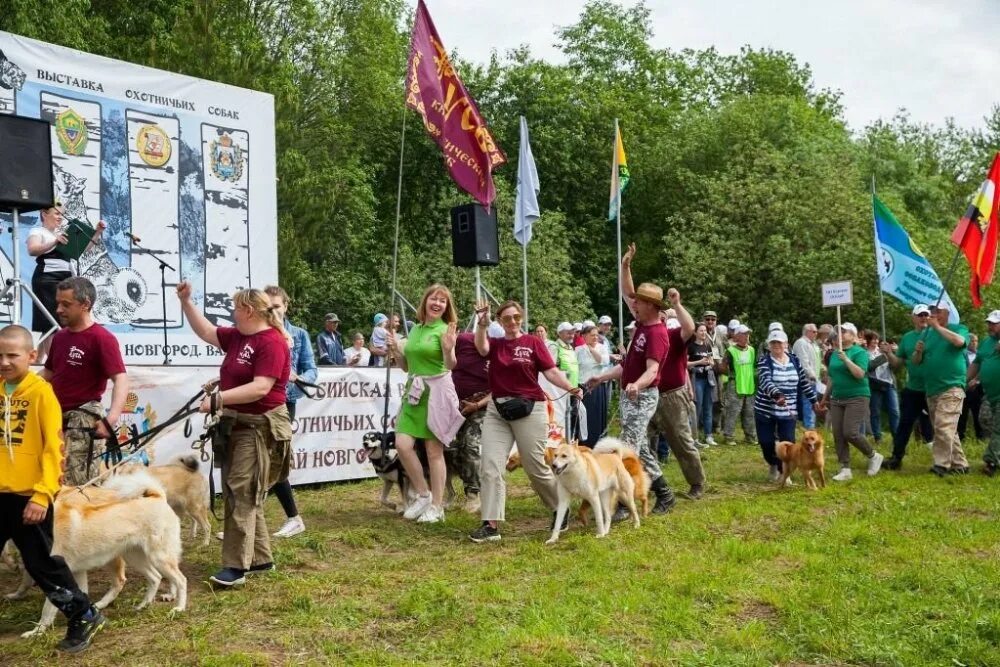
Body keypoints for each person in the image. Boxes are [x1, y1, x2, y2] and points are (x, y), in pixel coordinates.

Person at [177, 282, 291, 588]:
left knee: (242, 490)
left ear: (248, 310)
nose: (231, 312)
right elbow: (207, 332)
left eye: (235, 308)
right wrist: (187, 303)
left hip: (260, 425)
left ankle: (235, 566)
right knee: (242, 488)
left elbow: (261, 387)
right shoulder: (240, 336)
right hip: (237, 424)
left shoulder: (272, 342)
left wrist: (218, 400)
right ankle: (261, 558)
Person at [0, 325, 106, 652]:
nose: (4, 361)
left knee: (42, 565)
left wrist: (43, 494)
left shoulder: (41, 392)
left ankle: (83, 613)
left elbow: (54, 450)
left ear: (32, 356)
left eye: (12, 355)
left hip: (28, 499)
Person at [469, 300, 582, 543]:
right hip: (497, 410)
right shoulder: (496, 344)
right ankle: (490, 524)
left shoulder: (533, 342)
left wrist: (571, 387)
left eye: (517, 317)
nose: (512, 322)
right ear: (500, 321)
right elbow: (481, 346)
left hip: (530, 408)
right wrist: (481, 323)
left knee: (534, 467)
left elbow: (551, 371)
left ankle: (559, 508)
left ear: (522, 318)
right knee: (489, 466)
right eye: (507, 318)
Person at [587, 242, 676, 515]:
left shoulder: (657, 334)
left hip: (644, 396)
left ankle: (623, 505)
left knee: (626, 449)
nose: (633, 303)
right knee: (639, 448)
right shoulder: (641, 323)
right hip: (631, 394)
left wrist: (637, 385)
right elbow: (628, 366)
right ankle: (665, 494)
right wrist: (626, 266)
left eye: (638, 301)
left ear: (650, 306)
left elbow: (651, 371)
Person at [386, 285, 464, 524]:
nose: (437, 303)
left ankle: (437, 507)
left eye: (442, 300)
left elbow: (451, 365)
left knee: (433, 451)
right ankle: (423, 494)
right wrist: (396, 351)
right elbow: (407, 367)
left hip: (436, 394)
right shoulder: (416, 329)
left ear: (446, 307)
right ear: (425, 301)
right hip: (414, 393)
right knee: (402, 444)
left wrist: (449, 349)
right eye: (434, 298)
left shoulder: (445, 330)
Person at [40, 277, 128, 486]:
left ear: (85, 304)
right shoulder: (60, 337)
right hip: (54, 416)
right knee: (51, 478)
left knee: (77, 485)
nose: (59, 309)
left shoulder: (101, 338)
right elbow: (48, 373)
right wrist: (18, 386)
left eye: (66, 304)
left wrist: (111, 419)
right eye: (58, 303)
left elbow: (121, 379)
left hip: (82, 419)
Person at [264, 285, 316, 539]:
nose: (272, 311)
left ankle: (293, 518)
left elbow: (312, 371)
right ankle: (250, 521)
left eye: (276, 306)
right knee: (258, 462)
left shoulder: (299, 335)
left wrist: (298, 377)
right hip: (257, 401)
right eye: (268, 307)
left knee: (273, 460)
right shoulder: (258, 333)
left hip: (284, 403)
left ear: (286, 306)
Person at [27, 204, 106, 361]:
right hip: (47, 279)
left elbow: (81, 249)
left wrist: (97, 233)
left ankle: (38, 361)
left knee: (56, 321)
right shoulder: (37, 231)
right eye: (56, 213)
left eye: (61, 214)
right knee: (49, 321)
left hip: (66, 280)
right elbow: (33, 249)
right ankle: (54, 364)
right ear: (44, 214)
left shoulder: (62, 233)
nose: (60, 217)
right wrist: (55, 242)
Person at [648, 293, 706, 500]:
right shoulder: (647, 335)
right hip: (649, 394)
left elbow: (689, 327)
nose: (660, 320)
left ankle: (696, 483)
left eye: (664, 317)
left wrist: (677, 304)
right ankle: (650, 484)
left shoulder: (675, 336)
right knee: (642, 441)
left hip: (672, 395)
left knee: (680, 440)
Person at [819, 323, 883, 481]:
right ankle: (845, 468)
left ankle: (873, 456)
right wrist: (825, 397)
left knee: (850, 432)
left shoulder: (860, 352)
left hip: (857, 396)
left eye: (844, 332)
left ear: (854, 337)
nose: (840, 334)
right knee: (838, 434)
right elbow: (832, 377)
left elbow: (860, 374)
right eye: (838, 332)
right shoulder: (834, 354)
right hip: (837, 397)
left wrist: (846, 360)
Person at [755, 330, 821, 481]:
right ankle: (772, 463)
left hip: (788, 410)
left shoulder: (794, 360)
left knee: (788, 444)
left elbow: (803, 382)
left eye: (779, 342)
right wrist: (777, 394)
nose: (776, 345)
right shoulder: (764, 361)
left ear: (786, 344)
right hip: (766, 410)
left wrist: (814, 400)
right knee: (767, 442)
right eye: (773, 343)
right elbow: (765, 381)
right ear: (769, 345)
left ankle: (784, 472)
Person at [880, 305, 936, 470]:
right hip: (913, 389)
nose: (923, 318)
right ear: (913, 318)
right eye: (920, 315)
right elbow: (898, 363)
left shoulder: (935, 335)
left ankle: (946, 460)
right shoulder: (908, 337)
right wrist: (889, 353)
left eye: (926, 314)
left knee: (941, 425)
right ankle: (896, 458)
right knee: (904, 425)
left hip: (933, 387)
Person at [918, 304, 970, 476]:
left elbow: (959, 342)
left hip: (952, 386)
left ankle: (941, 465)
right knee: (947, 429)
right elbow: (917, 361)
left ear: (948, 314)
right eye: (932, 311)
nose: (934, 314)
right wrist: (918, 352)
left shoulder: (959, 328)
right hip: (932, 388)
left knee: (943, 426)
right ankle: (960, 464)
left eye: (938, 311)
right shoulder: (927, 334)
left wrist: (938, 327)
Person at [448, 330, 490, 513]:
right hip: (455, 407)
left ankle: (474, 494)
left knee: (470, 445)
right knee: (449, 448)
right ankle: (450, 492)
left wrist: (478, 404)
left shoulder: (489, 358)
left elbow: (498, 387)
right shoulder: (451, 355)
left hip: (481, 407)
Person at [968, 311, 1000, 475]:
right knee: (984, 419)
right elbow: (978, 363)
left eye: (994, 323)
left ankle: (991, 462)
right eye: (989, 323)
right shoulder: (987, 342)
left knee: (998, 429)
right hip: (990, 393)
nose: (990, 326)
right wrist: (964, 380)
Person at [720, 325, 757, 445]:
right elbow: (723, 367)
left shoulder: (752, 350)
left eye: (747, 334)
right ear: (736, 336)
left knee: (750, 413)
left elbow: (754, 367)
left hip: (749, 386)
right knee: (733, 412)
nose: (746, 336)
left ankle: (750, 436)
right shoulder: (730, 351)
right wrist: (732, 376)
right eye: (743, 334)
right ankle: (729, 436)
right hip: (735, 385)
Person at [863, 330, 899, 445]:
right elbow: (870, 366)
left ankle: (897, 437)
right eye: (873, 339)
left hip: (889, 383)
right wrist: (884, 356)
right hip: (875, 385)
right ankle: (877, 437)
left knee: (894, 411)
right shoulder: (864, 353)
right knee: (875, 412)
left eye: (877, 339)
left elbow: (895, 367)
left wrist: (891, 353)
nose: (875, 341)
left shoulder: (882, 351)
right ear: (868, 340)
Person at [576, 324, 609, 446]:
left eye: (596, 335)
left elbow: (603, 361)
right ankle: (585, 442)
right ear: (584, 336)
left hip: (598, 387)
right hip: (583, 386)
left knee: (598, 417)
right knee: (586, 416)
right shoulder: (578, 350)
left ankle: (598, 442)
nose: (595, 337)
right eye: (592, 335)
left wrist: (591, 349)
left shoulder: (602, 347)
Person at [688, 323, 716, 446]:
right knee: (696, 408)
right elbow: (685, 363)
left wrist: (710, 364)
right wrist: (699, 362)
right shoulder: (691, 346)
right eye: (701, 331)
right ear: (695, 333)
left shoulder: (708, 346)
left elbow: (712, 361)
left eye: (705, 331)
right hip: (696, 380)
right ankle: (694, 438)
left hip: (708, 379)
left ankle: (708, 435)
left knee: (708, 407)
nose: (704, 333)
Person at [553, 321, 581, 439]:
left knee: (573, 417)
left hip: (573, 389)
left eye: (573, 333)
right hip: (561, 391)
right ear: (560, 334)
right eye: (568, 333)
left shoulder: (570, 347)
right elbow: (552, 367)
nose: (571, 335)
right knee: (562, 419)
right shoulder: (555, 347)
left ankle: (571, 442)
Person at [791, 323, 822, 428]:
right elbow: (803, 363)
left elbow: (816, 361)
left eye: (816, 331)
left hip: (815, 380)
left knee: (812, 403)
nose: (816, 333)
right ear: (807, 331)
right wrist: (812, 375)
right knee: (808, 403)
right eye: (814, 331)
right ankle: (808, 427)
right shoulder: (801, 343)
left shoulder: (813, 344)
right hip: (806, 380)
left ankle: (810, 426)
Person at [958, 333, 985, 441]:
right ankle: (961, 437)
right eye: (972, 341)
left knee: (978, 414)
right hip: (964, 388)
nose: (974, 343)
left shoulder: (981, 355)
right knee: (962, 414)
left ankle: (981, 437)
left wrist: (976, 381)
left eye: (976, 341)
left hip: (978, 389)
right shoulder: (962, 354)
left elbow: (985, 369)